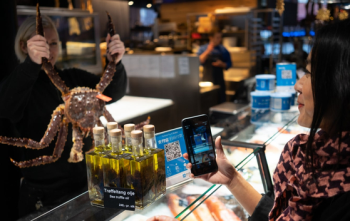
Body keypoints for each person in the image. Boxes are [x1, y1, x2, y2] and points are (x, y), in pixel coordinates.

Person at [148, 19, 350, 221]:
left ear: (341, 86)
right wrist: (232, 180)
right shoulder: (315, 153)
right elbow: (274, 214)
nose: (297, 85)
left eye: (309, 73)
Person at [0, 15, 126, 218]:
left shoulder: (74, 78)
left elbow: (111, 93)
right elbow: (5, 107)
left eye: (53, 43)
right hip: (43, 196)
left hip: (87, 184)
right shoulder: (18, 86)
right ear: (24, 46)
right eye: (42, 43)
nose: (48, 50)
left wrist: (116, 62)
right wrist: (31, 65)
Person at [197, 29, 232, 103]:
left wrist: (221, 64)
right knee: (207, 101)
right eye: (217, 37)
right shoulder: (203, 48)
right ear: (211, 37)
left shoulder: (223, 50)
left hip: (219, 80)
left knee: (220, 101)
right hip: (207, 80)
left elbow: (229, 64)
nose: (219, 39)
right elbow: (199, 61)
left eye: (220, 37)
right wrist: (208, 51)